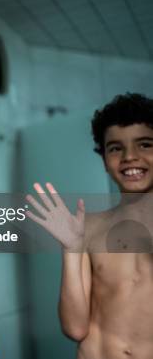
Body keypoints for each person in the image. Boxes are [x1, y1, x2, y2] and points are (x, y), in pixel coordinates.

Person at [26, 93, 153, 359]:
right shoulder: (90, 227)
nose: (130, 156)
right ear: (104, 159)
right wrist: (71, 248)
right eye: (115, 148)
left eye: (144, 144)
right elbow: (74, 328)